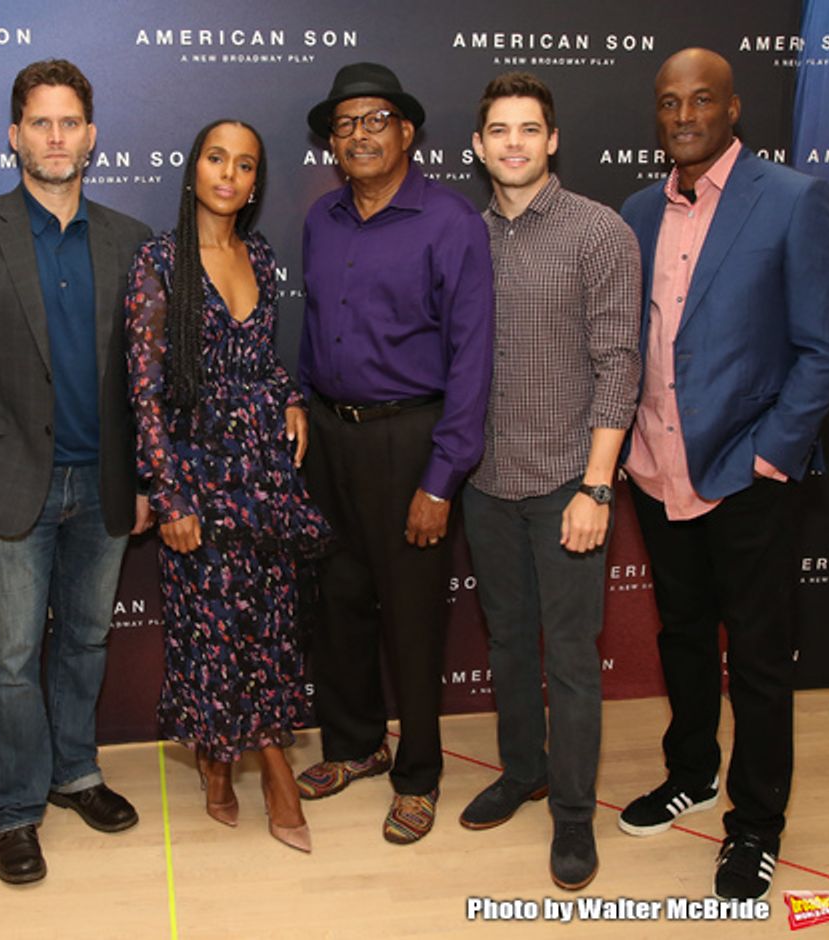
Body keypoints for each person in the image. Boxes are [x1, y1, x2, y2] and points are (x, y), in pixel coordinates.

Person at [617, 48, 829, 901]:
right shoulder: (638, 211)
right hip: (657, 469)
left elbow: (827, 348)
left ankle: (755, 824)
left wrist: (769, 455)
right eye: (669, 102)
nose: (684, 115)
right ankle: (691, 772)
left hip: (746, 476)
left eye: (701, 100)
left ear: (733, 107)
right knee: (682, 637)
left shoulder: (791, 199)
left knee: (756, 658)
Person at [0, 59, 152, 885]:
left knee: (85, 639)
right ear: (14, 135)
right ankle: (15, 810)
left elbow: (150, 377)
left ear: (92, 136)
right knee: (14, 655)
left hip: (106, 484)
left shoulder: (131, 239)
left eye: (70, 123)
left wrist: (148, 477)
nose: (56, 137)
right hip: (14, 483)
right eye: (40, 123)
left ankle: (74, 772)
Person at [296, 62, 495, 844]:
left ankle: (418, 774)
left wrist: (441, 480)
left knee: (411, 617)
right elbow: (314, 331)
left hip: (410, 438)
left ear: (407, 131)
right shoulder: (322, 220)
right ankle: (354, 745)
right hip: (329, 437)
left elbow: (472, 361)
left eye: (375, 119)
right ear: (332, 143)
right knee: (337, 601)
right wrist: (301, 405)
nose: (359, 134)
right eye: (344, 124)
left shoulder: (451, 222)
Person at [126, 120, 331, 853]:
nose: (229, 174)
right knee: (214, 632)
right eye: (217, 158)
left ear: (254, 184)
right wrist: (169, 495)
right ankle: (275, 774)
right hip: (197, 477)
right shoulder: (159, 260)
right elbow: (145, 392)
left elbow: (261, 359)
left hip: (264, 476)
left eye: (245, 165)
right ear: (194, 170)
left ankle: (219, 765)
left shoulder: (261, 255)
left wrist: (292, 398)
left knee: (268, 627)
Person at [457, 72, 641, 890]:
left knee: (568, 656)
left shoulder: (599, 232)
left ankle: (572, 814)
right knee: (506, 643)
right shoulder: (465, 237)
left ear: (553, 140)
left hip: (568, 483)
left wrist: (597, 487)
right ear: (478, 145)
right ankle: (522, 769)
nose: (514, 144)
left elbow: (618, 366)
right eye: (499, 130)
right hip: (486, 482)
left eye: (529, 129)